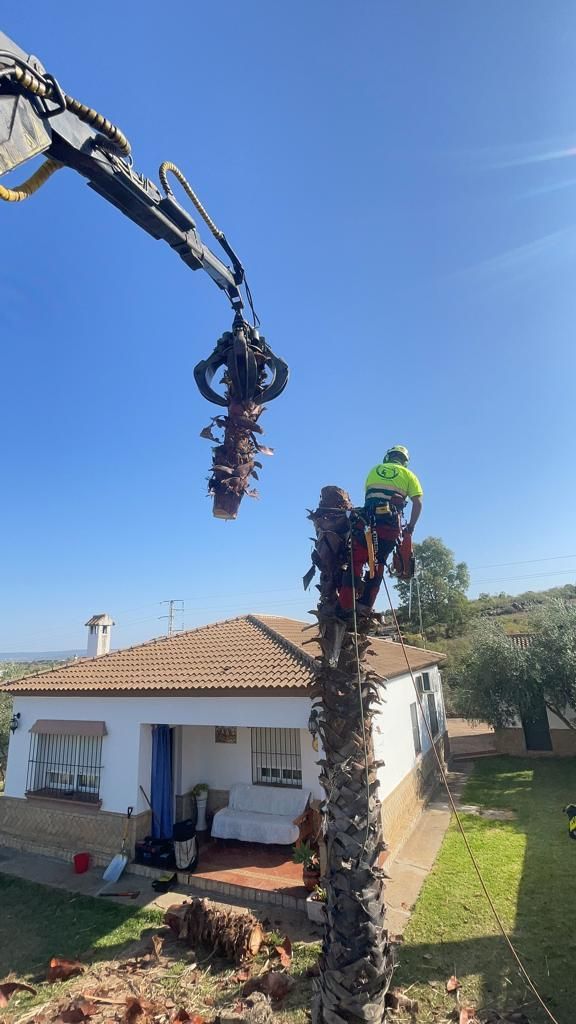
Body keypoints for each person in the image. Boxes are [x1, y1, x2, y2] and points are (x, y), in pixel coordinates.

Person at [338, 445, 423, 614]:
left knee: (356, 559)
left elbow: (371, 497)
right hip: (389, 528)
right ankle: (365, 606)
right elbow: (418, 503)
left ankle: (345, 605)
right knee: (379, 563)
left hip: (366, 522)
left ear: (388, 457)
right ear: (404, 461)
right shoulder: (409, 475)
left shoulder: (374, 470)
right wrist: (410, 528)